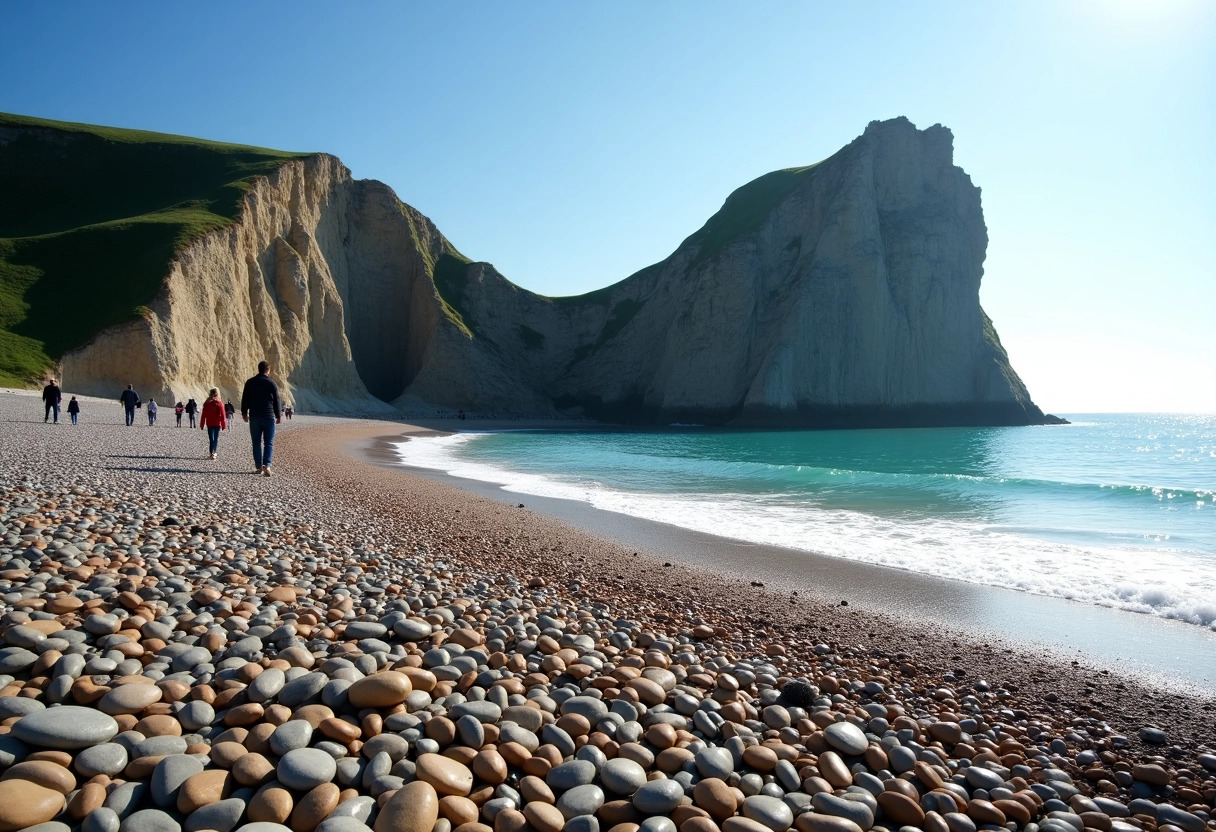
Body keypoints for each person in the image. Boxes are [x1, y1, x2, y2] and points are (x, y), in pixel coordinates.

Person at [240, 360, 281, 477]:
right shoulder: (272, 383)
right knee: (269, 443)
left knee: (256, 443)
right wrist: (278, 416)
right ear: (268, 370)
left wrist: (244, 413)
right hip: (268, 417)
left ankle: (259, 466)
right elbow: (276, 401)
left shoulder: (250, 382)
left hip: (254, 417)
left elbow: (245, 399)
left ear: (258, 369)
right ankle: (267, 465)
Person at [199, 387, 227, 459]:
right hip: (217, 424)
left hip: (210, 424)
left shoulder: (206, 403)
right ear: (217, 394)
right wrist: (223, 425)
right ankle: (214, 452)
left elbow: (203, 415)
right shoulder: (220, 403)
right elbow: (223, 415)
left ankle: (211, 453)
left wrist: (202, 424)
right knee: (216, 438)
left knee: (211, 438)